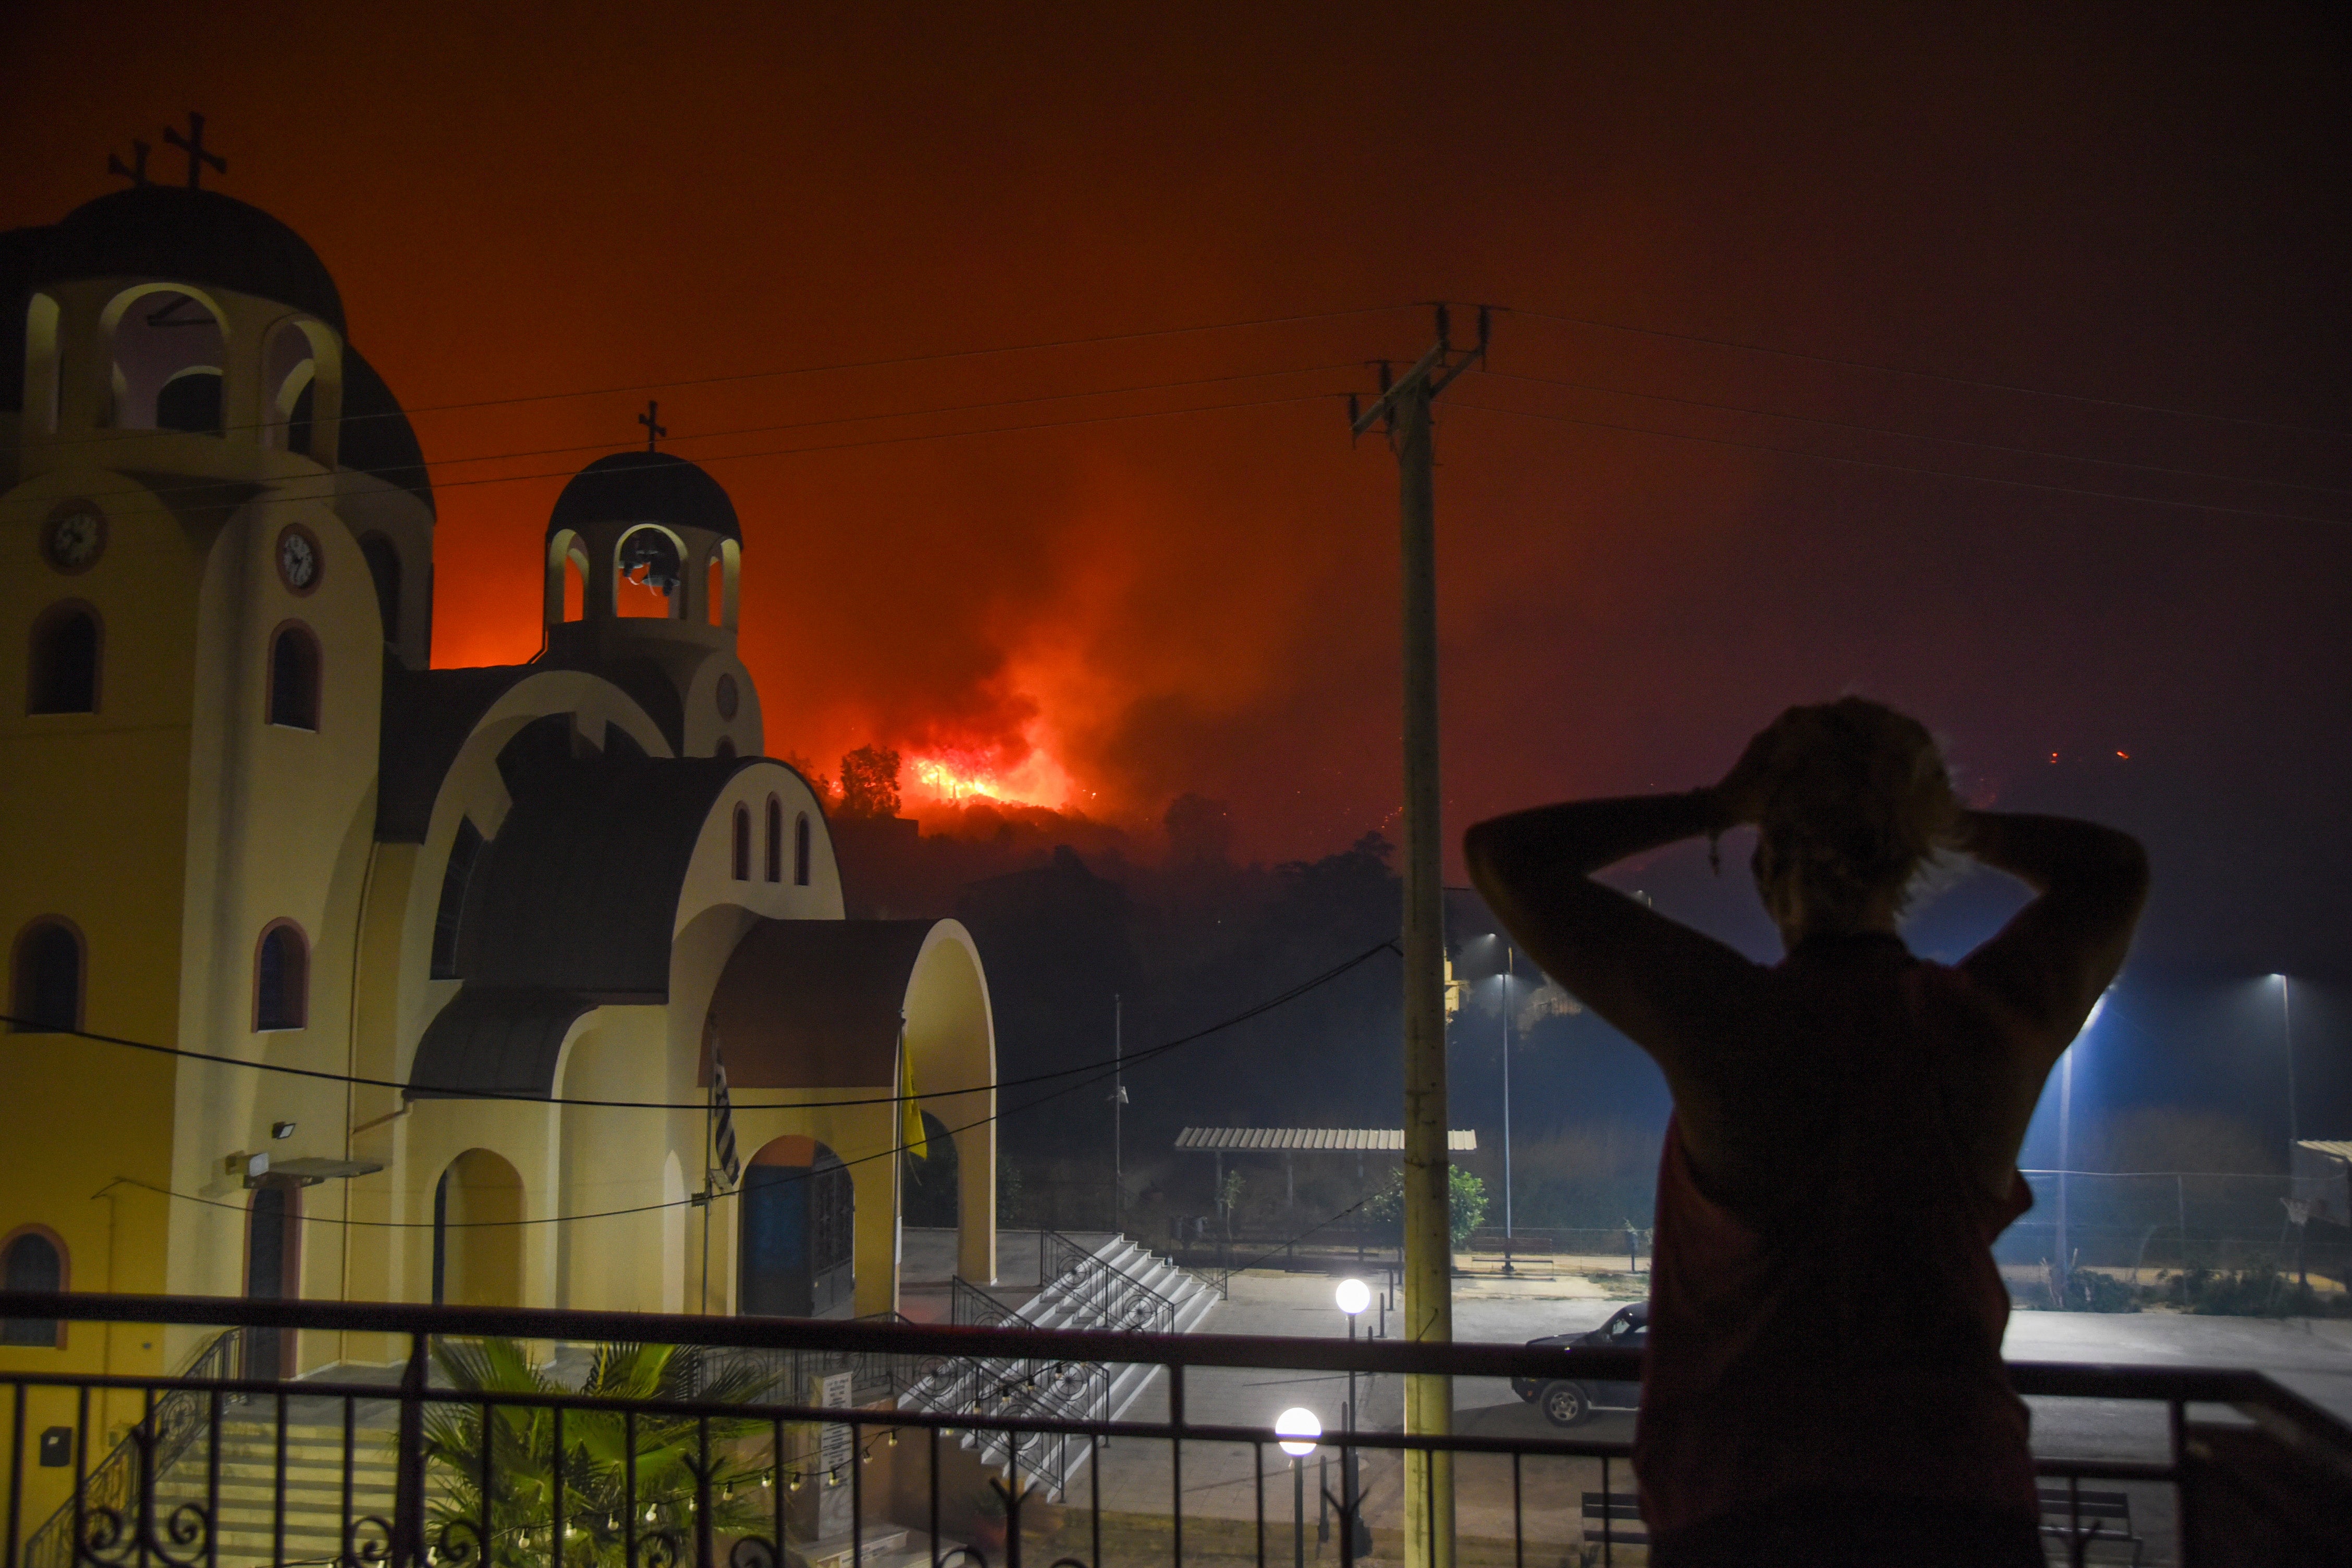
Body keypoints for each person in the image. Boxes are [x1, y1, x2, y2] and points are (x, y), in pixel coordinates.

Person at [1464, 698, 2147, 1567]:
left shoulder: (1733, 1024)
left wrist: (1715, 803)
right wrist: (1944, 820)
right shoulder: (1986, 1028)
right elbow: (2113, 869)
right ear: (1909, 862)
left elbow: (1504, 857)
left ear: (1763, 871)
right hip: (1961, 1505)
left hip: (1742, 1506)